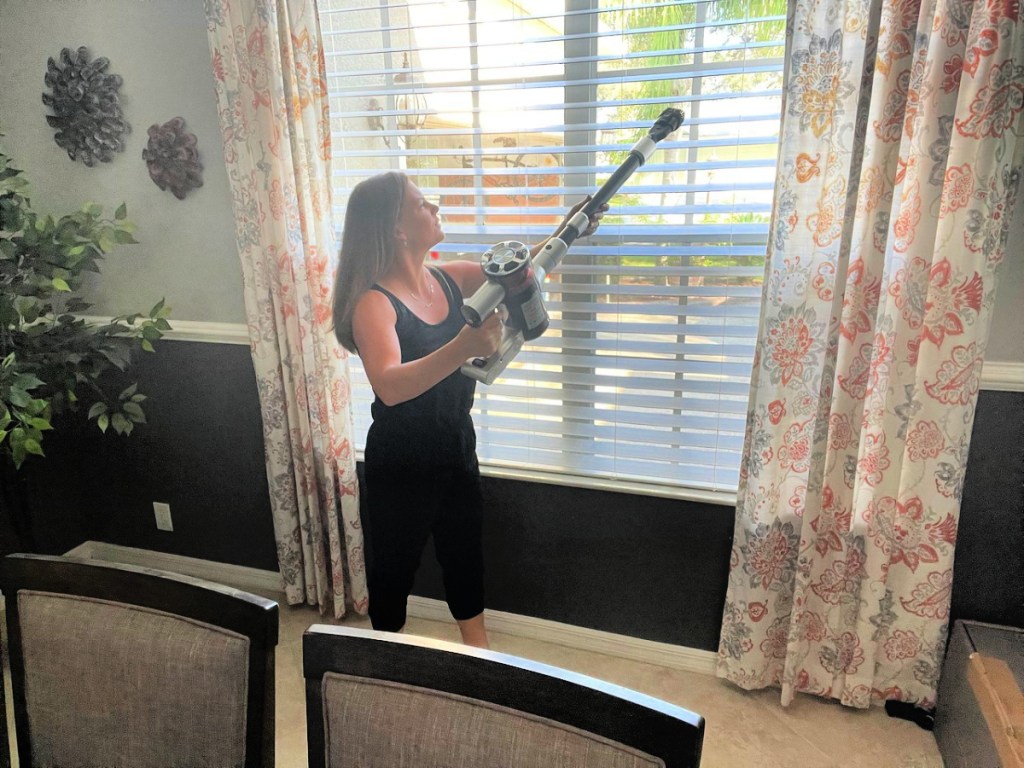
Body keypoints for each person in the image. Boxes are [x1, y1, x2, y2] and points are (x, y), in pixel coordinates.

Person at [332, 171, 606, 648]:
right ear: (396, 229)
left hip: (456, 442)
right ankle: (383, 659)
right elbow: (391, 386)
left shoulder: (451, 278)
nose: (434, 207)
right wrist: (463, 346)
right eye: (421, 204)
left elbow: (521, 273)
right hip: (401, 460)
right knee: (394, 570)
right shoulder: (373, 304)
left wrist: (572, 227)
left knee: (464, 554)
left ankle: (479, 656)